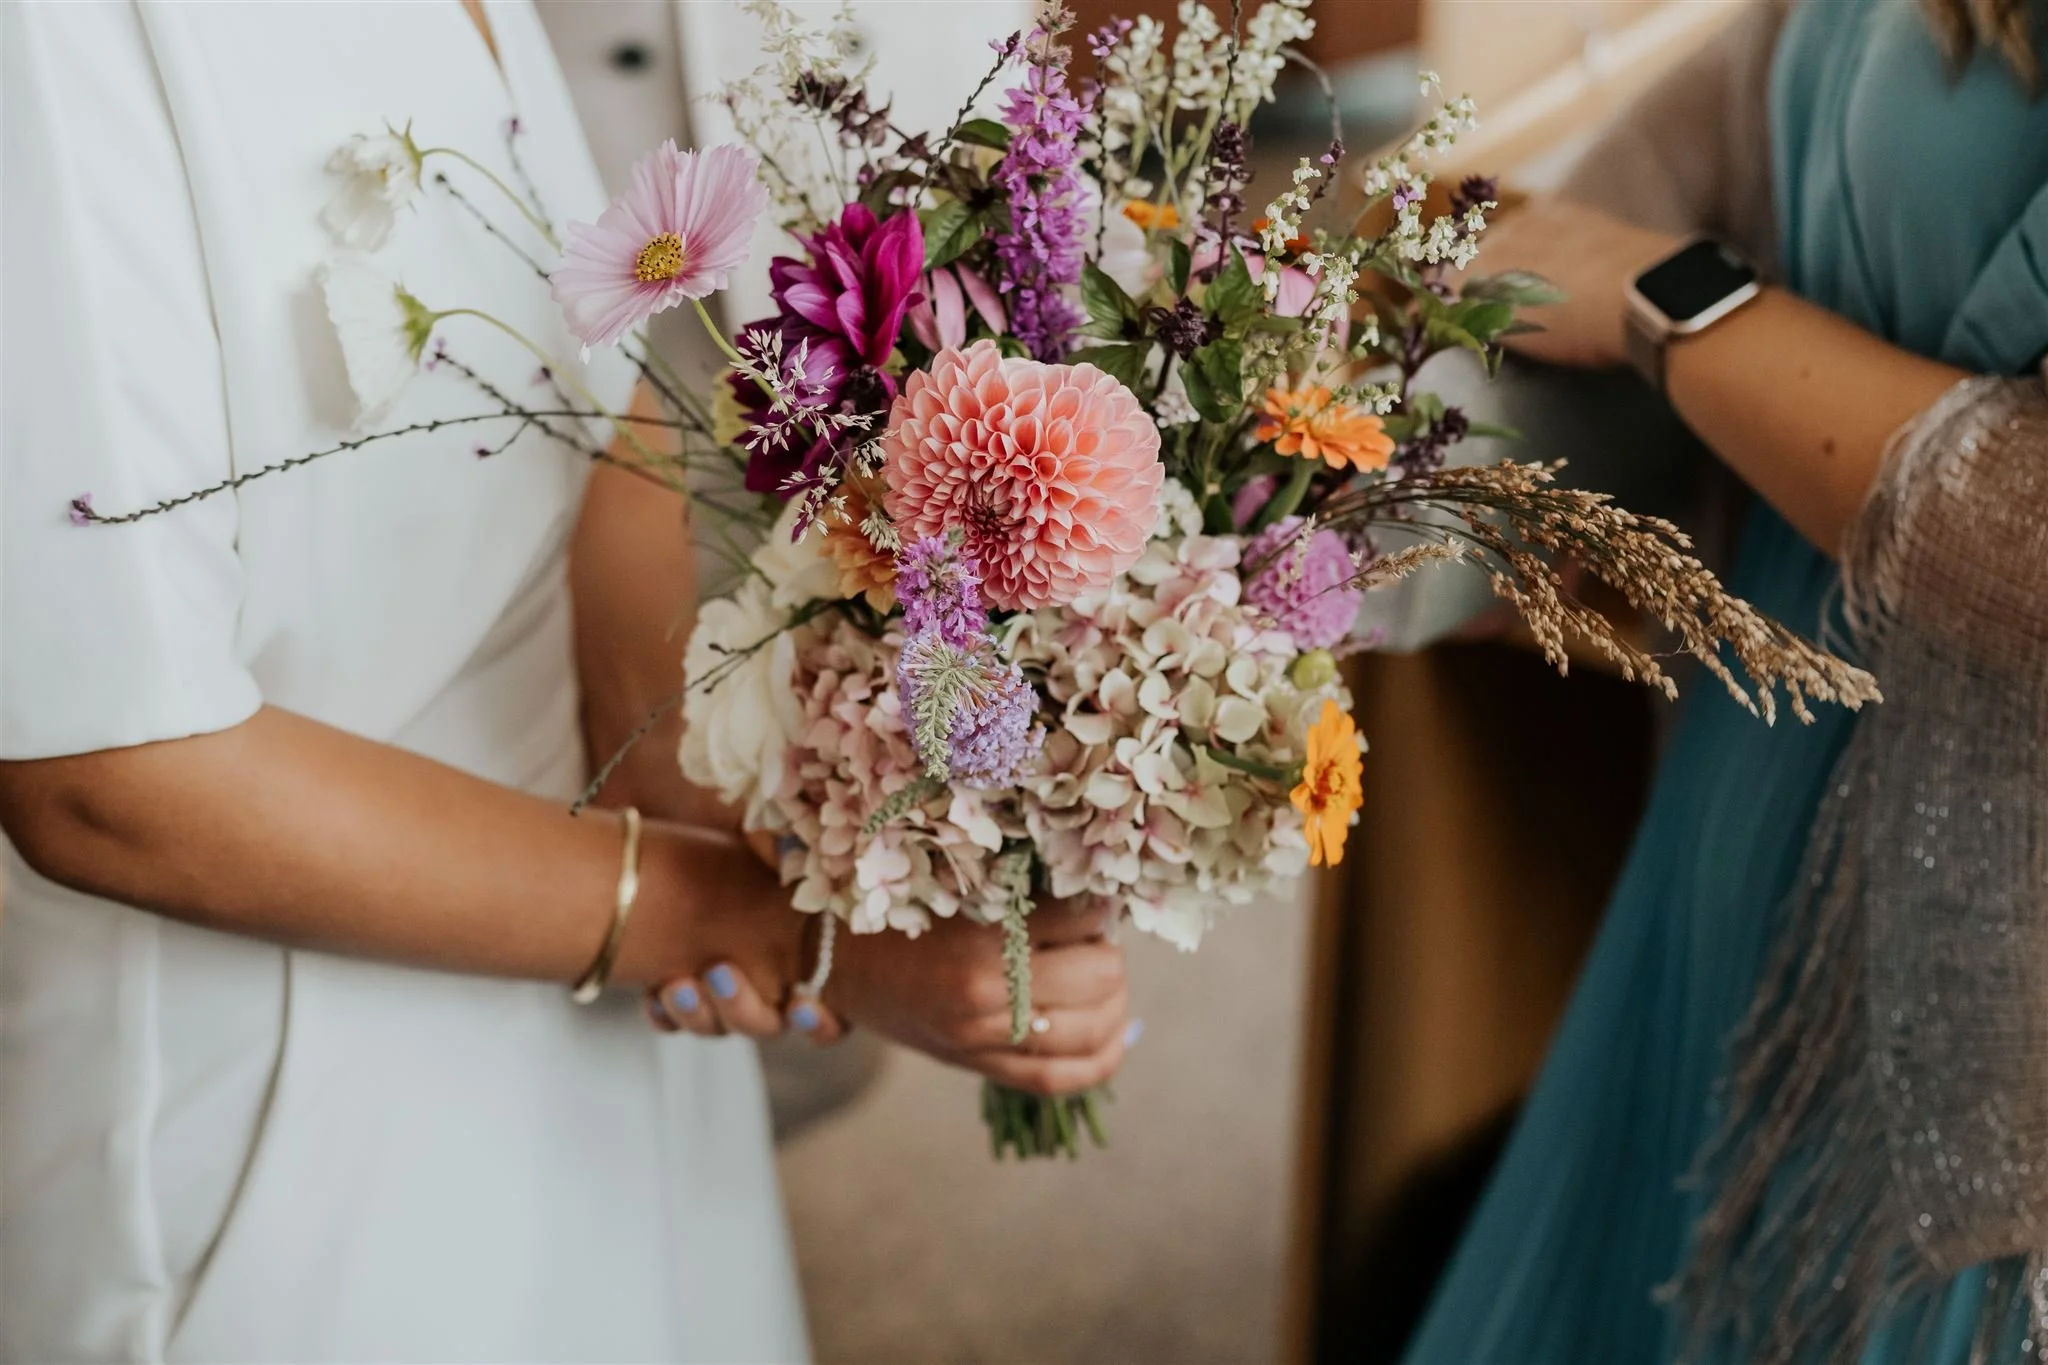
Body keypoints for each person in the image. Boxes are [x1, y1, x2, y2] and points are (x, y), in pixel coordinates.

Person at [0, 3, 1128, 1360]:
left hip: (608, 968)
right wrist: (752, 925)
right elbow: (108, 775)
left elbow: (598, 391)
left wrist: (699, 772)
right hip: (278, 1098)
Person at [1402, 0, 2048, 1360]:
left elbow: (2023, 537)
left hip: (1998, 993)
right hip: (1757, 824)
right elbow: (1698, 160)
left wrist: (1674, 303)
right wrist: (1274, 521)